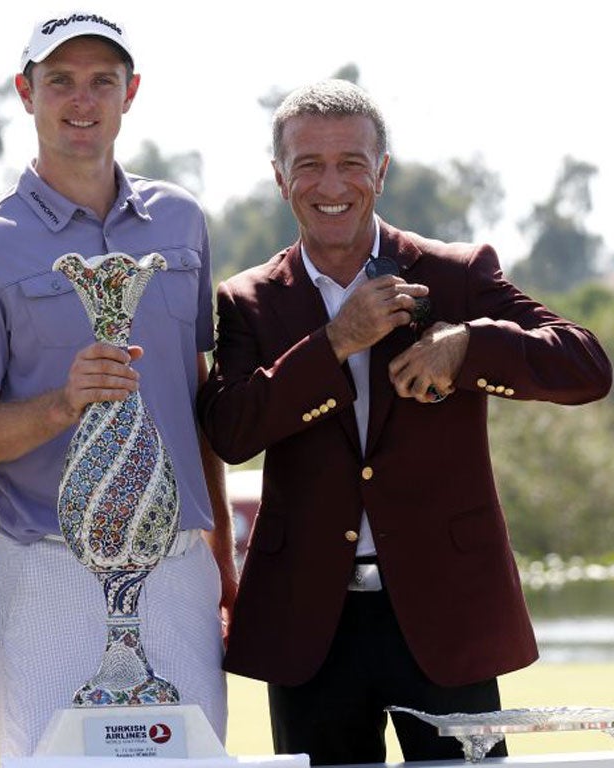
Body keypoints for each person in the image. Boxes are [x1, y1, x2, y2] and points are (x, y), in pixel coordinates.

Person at [197, 78, 612, 766]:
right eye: (309, 165)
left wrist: (471, 344)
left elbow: (587, 366)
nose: (332, 183)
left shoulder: (456, 274)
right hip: (309, 628)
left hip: (449, 616)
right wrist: (334, 341)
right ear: (280, 179)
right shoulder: (248, 302)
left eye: (352, 163)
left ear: (381, 171)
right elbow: (231, 433)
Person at [0, 11, 237, 758]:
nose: (81, 100)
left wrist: (221, 556)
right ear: (24, 93)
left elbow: (197, 404)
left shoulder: (183, 221)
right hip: (47, 576)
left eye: (103, 81)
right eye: (59, 81)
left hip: (178, 570)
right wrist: (63, 404)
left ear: (131, 93)